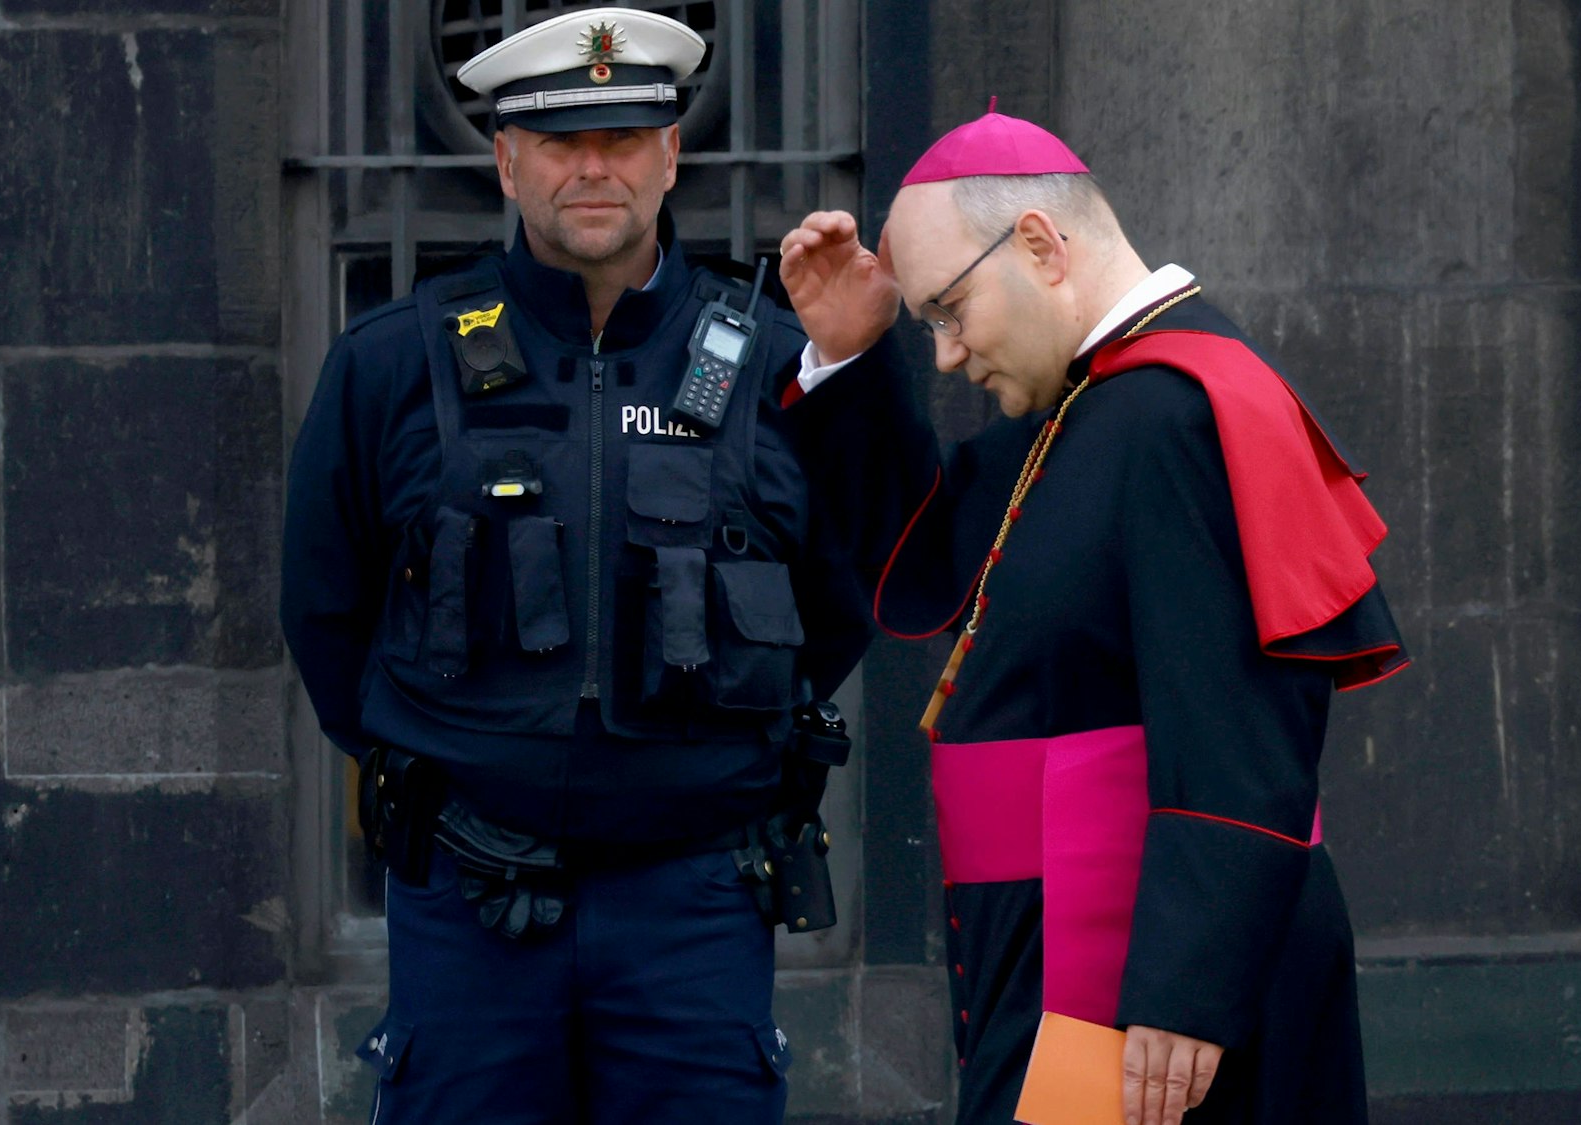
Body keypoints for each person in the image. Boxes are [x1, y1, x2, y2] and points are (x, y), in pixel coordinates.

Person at [279, 8, 896, 1122]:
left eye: (622, 138)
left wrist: (853, 363)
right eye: (562, 143)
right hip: (471, 898)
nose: (594, 168)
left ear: (670, 155)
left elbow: (850, 586)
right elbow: (326, 611)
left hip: (696, 902)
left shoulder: (768, 359)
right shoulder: (392, 363)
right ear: (507, 162)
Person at [777, 106, 1411, 1124]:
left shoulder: (1179, 405)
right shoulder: (1088, 401)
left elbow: (1242, 723)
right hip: (1072, 945)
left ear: (1037, 243)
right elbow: (931, 560)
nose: (944, 356)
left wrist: (1184, 987)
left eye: (947, 311)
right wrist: (850, 363)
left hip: (1140, 975)